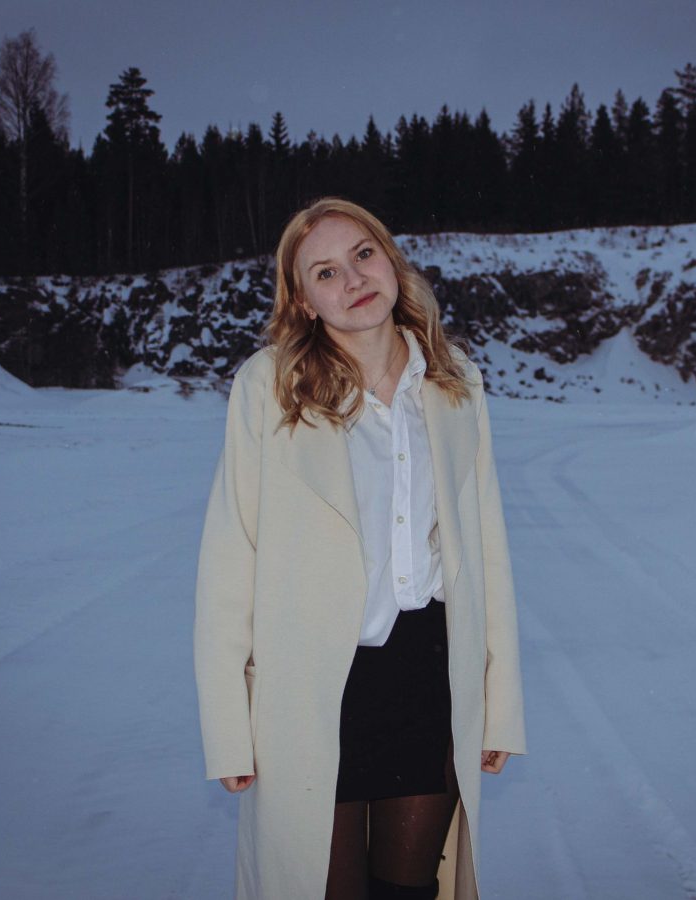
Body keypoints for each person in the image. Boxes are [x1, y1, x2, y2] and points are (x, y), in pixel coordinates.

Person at [193, 197, 527, 900]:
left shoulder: (455, 381)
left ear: (390, 259)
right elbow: (230, 558)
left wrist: (498, 703)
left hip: (430, 679)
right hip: (309, 690)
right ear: (304, 302)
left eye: (363, 255)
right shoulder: (269, 387)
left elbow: (486, 551)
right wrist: (227, 723)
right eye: (325, 272)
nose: (352, 280)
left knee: (409, 891)